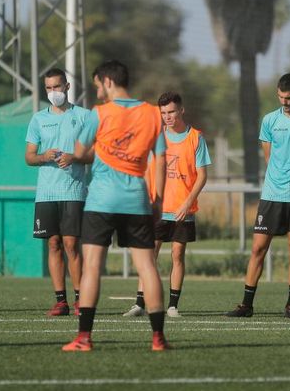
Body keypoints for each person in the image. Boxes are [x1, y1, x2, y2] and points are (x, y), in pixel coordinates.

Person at [62, 60, 169, 352]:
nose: (97, 91)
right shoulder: (152, 114)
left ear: (108, 81)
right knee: (147, 267)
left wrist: (104, 148)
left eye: (97, 85)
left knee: (93, 267)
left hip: (101, 201)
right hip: (137, 199)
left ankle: (84, 338)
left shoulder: (99, 114)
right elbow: (160, 158)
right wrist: (157, 199)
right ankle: (158, 339)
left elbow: (80, 152)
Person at [225, 73, 290, 318]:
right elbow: (269, 157)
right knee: (258, 248)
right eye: (281, 97)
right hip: (272, 193)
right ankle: (246, 305)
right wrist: (283, 171)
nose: (285, 102)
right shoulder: (269, 120)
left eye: (289, 98)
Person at [123, 92, 211, 318]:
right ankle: (139, 304)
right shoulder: (155, 136)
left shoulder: (196, 138)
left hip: (183, 209)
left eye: (171, 111)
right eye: (163, 113)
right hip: (157, 209)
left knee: (177, 254)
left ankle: (172, 306)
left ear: (181, 110)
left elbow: (202, 175)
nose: (167, 116)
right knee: (149, 255)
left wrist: (187, 203)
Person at [26, 68, 89, 316]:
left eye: (57, 87)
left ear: (67, 87)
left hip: (73, 191)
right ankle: (60, 301)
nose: (54, 92)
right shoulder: (38, 119)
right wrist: (43, 156)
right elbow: (29, 157)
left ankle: (80, 299)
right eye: (49, 88)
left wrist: (75, 157)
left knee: (71, 244)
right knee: (53, 244)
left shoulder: (84, 116)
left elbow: (94, 154)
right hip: (46, 193)